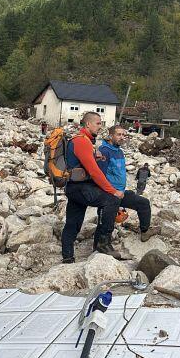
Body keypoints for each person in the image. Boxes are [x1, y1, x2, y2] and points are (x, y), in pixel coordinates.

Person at [61, 112, 124, 263]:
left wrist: (96, 156)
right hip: (80, 187)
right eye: (98, 123)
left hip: (73, 187)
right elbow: (94, 172)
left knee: (73, 221)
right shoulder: (82, 141)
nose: (100, 126)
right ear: (88, 124)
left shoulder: (82, 141)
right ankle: (102, 244)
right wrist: (113, 191)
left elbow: (81, 160)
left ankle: (67, 256)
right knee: (111, 201)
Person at [97, 127, 158, 246]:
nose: (122, 137)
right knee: (105, 223)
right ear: (110, 136)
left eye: (123, 135)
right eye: (119, 134)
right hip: (109, 194)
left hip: (120, 192)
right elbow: (100, 175)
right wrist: (110, 194)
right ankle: (100, 248)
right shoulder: (104, 151)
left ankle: (145, 231)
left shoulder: (119, 151)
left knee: (143, 203)